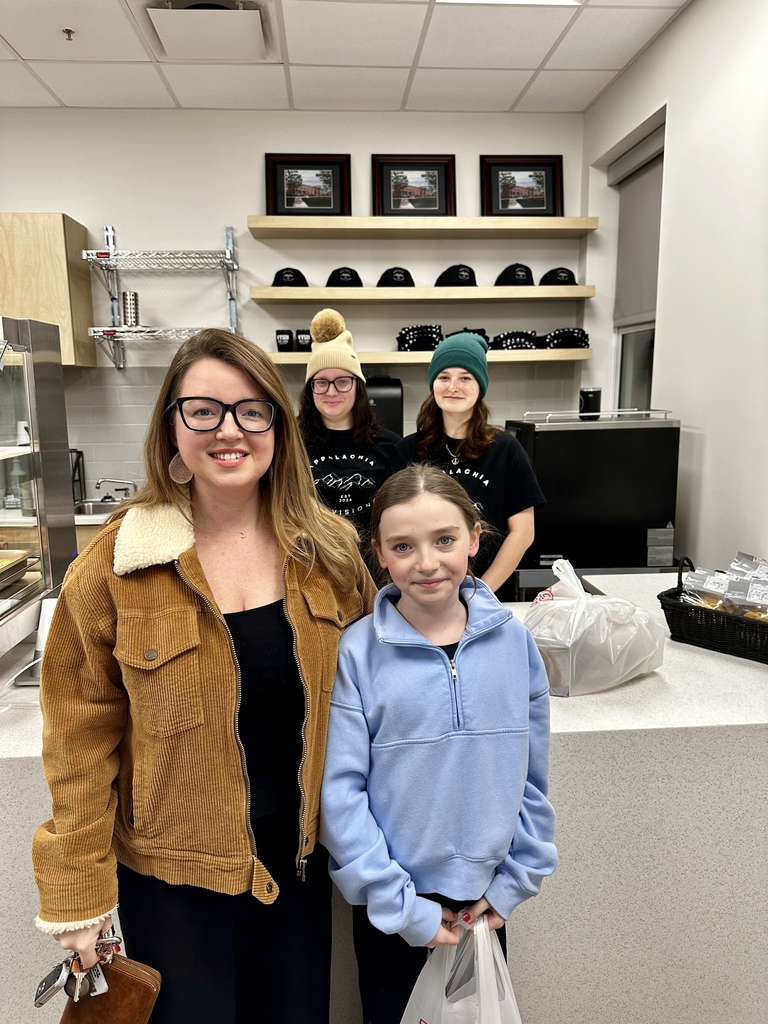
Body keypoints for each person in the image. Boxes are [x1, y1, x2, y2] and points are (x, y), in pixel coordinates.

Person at [32, 328, 376, 1024]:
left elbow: (390, 699)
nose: (230, 430)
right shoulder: (116, 567)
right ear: (171, 427)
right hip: (170, 880)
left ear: (279, 426)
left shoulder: (330, 553)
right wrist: (79, 896)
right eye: (204, 410)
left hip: (300, 865)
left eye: (253, 410)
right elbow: (78, 741)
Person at [320, 465, 557, 1024]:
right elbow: (340, 794)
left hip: (486, 904)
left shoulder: (515, 643)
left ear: (475, 539)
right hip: (396, 912)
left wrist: (513, 884)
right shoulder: (357, 653)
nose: (426, 563)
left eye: (444, 540)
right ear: (378, 553)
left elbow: (532, 777)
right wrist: (401, 907)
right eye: (403, 546)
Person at [387, 331, 545, 600]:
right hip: (423, 594)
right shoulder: (407, 450)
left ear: (480, 386)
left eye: (465, 378)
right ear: (433, 384)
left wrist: (480, 592)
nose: (453, 387)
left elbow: (523, 532)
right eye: (444, 377)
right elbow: (393, 528)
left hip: (490, 594)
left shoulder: (506, 450)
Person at [298, 308, 400, 546]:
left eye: (343, 381)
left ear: (358, 387)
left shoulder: (391, 445)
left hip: (374, 565)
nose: (331, 391)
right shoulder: (290, 442)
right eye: (321, 382)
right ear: (310, 389)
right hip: (311, 562)